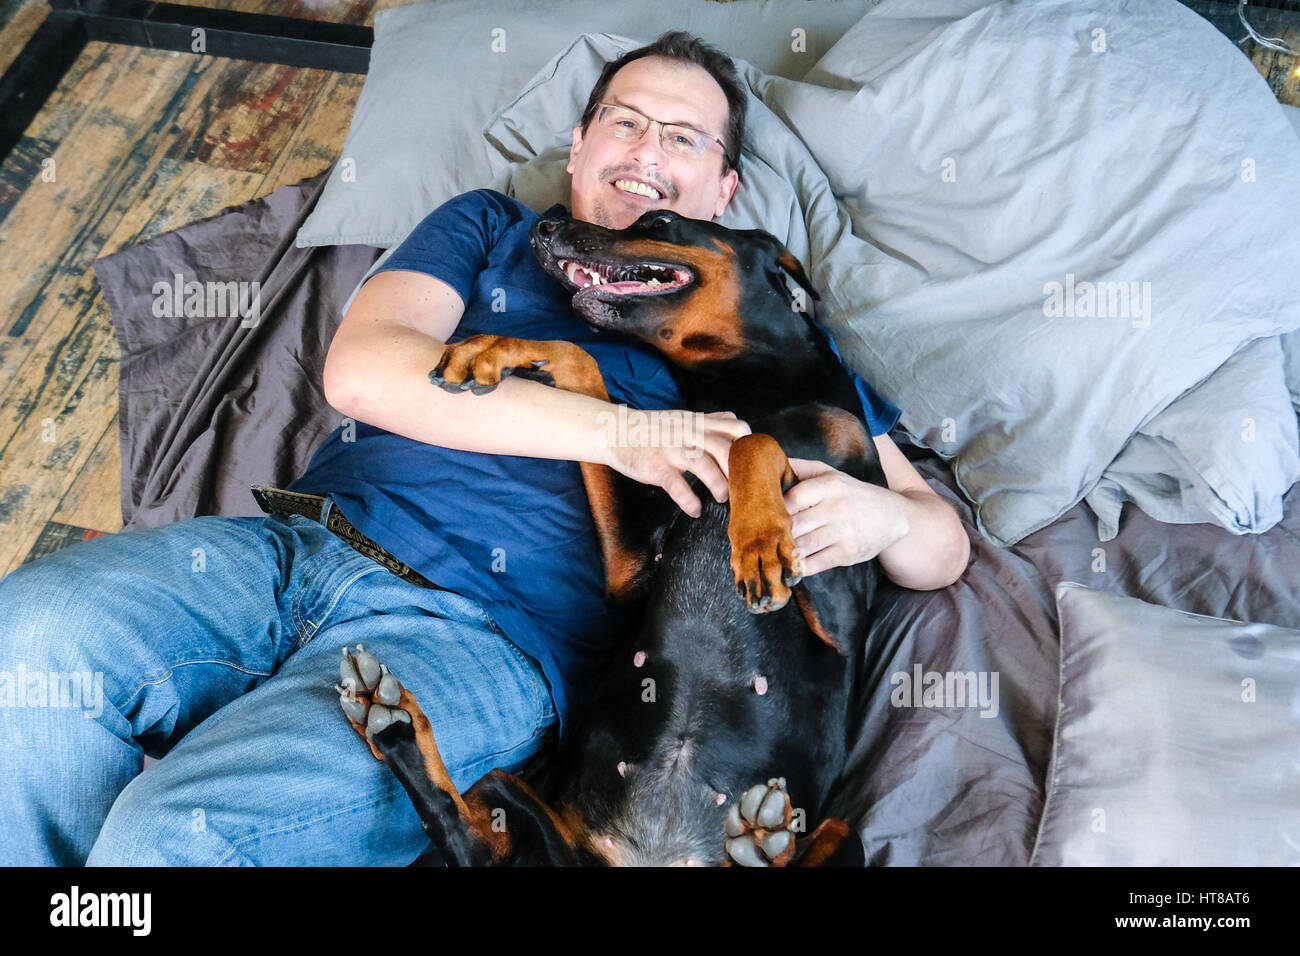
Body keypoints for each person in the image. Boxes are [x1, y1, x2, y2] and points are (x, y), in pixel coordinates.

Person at [0, 31, 967, 867]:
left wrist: (883, 513)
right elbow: (364, 373)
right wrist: (623, 433)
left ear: (725, 186)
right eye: (624, 122)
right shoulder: (488, 226)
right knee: (26, 643)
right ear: (580, 145)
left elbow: (937, 547)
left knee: (177, 834)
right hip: (296, 551)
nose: (645, 152)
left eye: (683, 138)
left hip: (482, 641)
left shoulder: (751, 336)